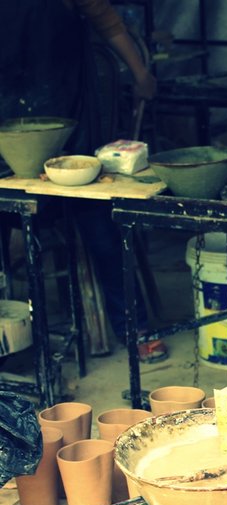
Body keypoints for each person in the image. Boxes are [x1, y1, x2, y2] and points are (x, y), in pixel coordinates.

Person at [0, 0, 166, 361]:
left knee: (101, 228)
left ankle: (133, 326)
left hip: (67, 125)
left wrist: (140, 75)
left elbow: (109, 25)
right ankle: (12, 337)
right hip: (5, 132)